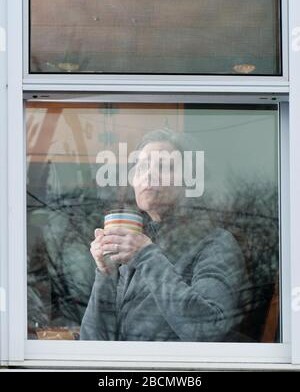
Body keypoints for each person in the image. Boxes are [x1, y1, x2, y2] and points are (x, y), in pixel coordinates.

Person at [80, 128, 250, 342]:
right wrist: (106, 272)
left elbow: (209, 329)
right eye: (141, 167)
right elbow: (93, 342)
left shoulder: (216, 243)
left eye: (164, 166)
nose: (149, 174)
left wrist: (146, 256)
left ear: (190, 181)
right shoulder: (136, 245)